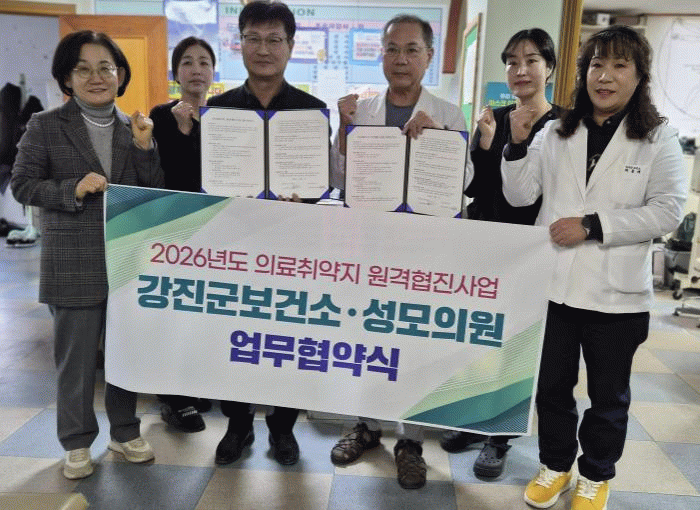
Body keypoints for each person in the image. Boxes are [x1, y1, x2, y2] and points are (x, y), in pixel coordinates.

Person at [500, 26, 687, 510]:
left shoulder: (658, 137)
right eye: (596, 65)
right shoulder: (557, 130)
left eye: (619, 65)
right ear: (583, 74)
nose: (605, 76)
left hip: (616, 295)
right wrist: (517, 144)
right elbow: (519, 195)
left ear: (639, 75)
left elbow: (668, 211)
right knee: (551, 388)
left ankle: (596, 475)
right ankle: (555, 465)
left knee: (608, 396)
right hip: (554, 288)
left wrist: (593, 225)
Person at [10, 30, 163, 480]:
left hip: (126, 261)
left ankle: (125, 431)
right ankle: (76, 442)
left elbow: (153, 191)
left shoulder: (133, 126)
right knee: (75, 362)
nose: (96, 77)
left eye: (106, 68)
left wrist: (144, 147)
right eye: (83, 69)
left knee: (126, 353)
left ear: (120, 75)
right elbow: (22, 185)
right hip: (72, 261)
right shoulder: (45, 125)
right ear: (67, 78)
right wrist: (70, 189)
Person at [329, 14, 468, 490]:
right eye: (392, 49)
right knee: (366, 337)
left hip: (422, 253)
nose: (401, 59)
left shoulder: (448, 113)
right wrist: (342, 129)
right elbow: (338, 180)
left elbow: (464, 184)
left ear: (428, 57)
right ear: (381, 56)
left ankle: (410, 440)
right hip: (369, 248)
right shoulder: (362, 109)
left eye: (411, 50)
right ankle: (366, 426)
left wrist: (440, 141)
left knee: (413, 343)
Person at [206, 0, 326, 467]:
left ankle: (282, 428)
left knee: (286, 341)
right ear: (239, 44)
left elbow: (319, 186)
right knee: (235, 339)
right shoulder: (219, 112)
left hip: (292, 249)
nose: (263, 49)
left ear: (290, 46)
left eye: (274, 40)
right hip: (235, 249)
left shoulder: (311, 111)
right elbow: (204, 185)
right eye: (253, 39)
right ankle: (237, 426)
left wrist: (305, 199)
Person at [442, 28, 563, 479]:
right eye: (512, 62)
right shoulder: (494, 117)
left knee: (517, 345)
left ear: (549, 68)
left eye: (531, 61)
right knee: (479, 338)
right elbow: (476, 187)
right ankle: (472, 422)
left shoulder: (565, 125)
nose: (520, 70)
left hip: (533, 251)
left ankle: (500, 437)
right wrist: (485, 144)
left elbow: (544, 195)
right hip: (485, 246)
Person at [149, 36, 216, 433]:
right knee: (173, 313)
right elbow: (167, 175)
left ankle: (192, 385)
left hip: (216, 231)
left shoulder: (222, 117)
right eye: (187, 62)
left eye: (204, 62)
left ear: (213, 71)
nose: (196, 70)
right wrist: (182, 129)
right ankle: (173, 399)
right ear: (176, 72)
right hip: (172, 230)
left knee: (202, 313)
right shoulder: (160, 115)